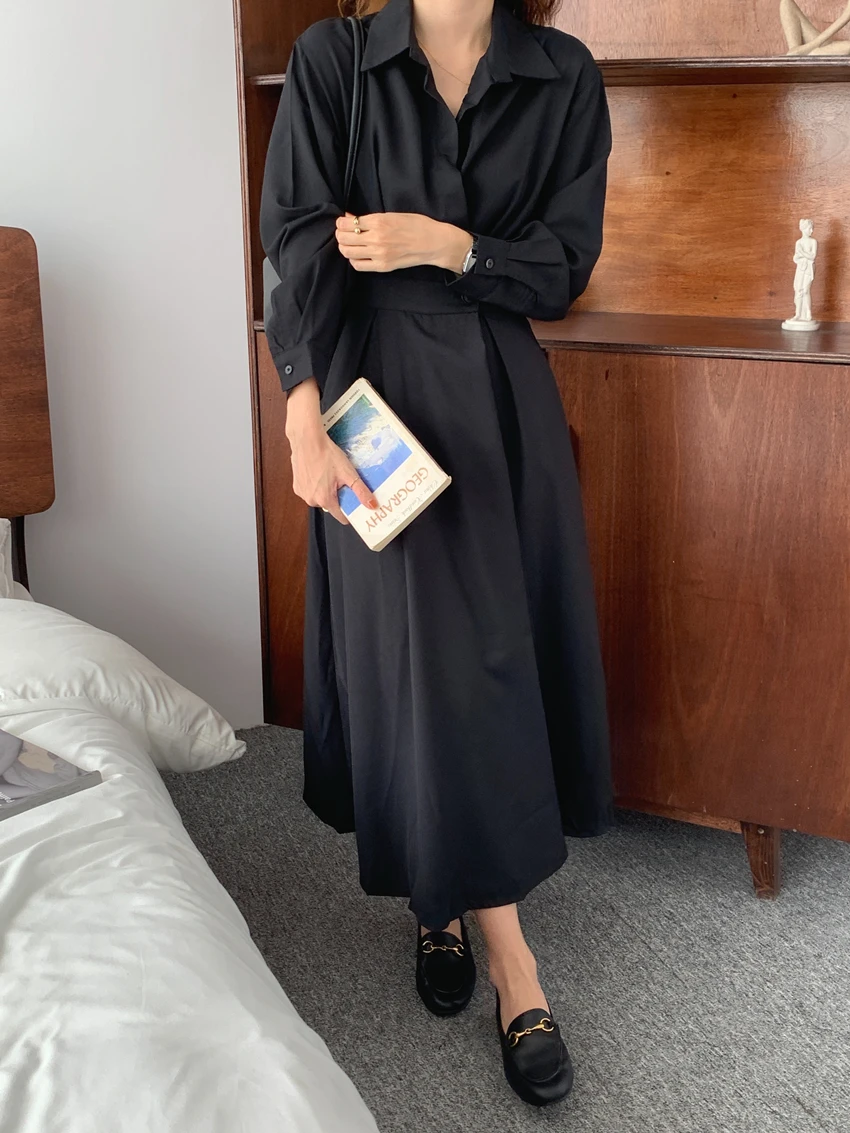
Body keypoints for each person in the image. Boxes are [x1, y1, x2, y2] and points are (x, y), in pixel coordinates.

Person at [260, 0, 614, 1106]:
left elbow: (562, 268)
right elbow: (296, 242)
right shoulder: (334, 58)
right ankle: (495, 946)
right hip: (373, 397)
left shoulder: (562, 72)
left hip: (500, 403)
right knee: (413, 668)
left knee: (491, 661)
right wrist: (300, 417)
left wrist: (448, 244)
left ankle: (466, 917)